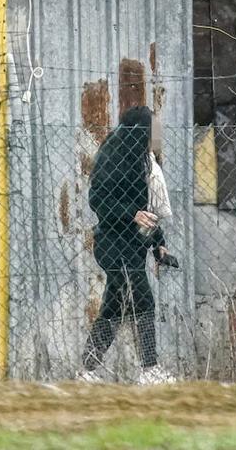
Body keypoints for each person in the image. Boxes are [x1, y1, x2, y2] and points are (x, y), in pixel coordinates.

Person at [80, 105, 178, 385]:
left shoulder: (143, 162)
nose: (156, 137)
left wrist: (159, 244)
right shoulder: (113, 160)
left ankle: (87, 369)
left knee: (112, 307)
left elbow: (147, 211)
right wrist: (131, 214)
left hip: (133, 245)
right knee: (143, 299)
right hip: (112, 244)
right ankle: (150, 370)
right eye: (152, 131)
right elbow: (99, 201)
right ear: (140, 132)